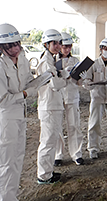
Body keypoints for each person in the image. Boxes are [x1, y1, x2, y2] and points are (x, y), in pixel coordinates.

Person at [0, 23, 37, 200]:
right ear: (1, 47)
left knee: (17, 161)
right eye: (10, 46)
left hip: (19, 118)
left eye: (17, 43)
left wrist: (36, 83)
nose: (16, 48)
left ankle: (12, 197)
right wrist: (24, 94)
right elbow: (0, 101)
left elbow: (28, 79)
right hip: (5, 122)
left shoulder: (22, 59)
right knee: (5, 166)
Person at [36, 29, 70, 184]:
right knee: (48, 142)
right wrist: (66, 77)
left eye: (59, 43)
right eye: (54, 43)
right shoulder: (46, 62)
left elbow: (56, 78)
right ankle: (43, 176)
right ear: (46, 44)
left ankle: (47, 172)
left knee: (51, 140)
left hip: (53, 105)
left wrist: (61, 73)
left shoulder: (51, 59)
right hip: (49, 106)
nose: (57, 46)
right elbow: (55, 84)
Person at [54, 32, 84, 166]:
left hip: (72, 96)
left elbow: (79, 82)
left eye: (69, 47)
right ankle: (58, 155)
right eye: (65, 46)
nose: (67, 49)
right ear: (59, 46)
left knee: (74, 125)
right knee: (58, 127)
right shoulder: (53, 61)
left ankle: (76, 154)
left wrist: (81, 77)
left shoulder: (75, 60)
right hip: (58, 97)